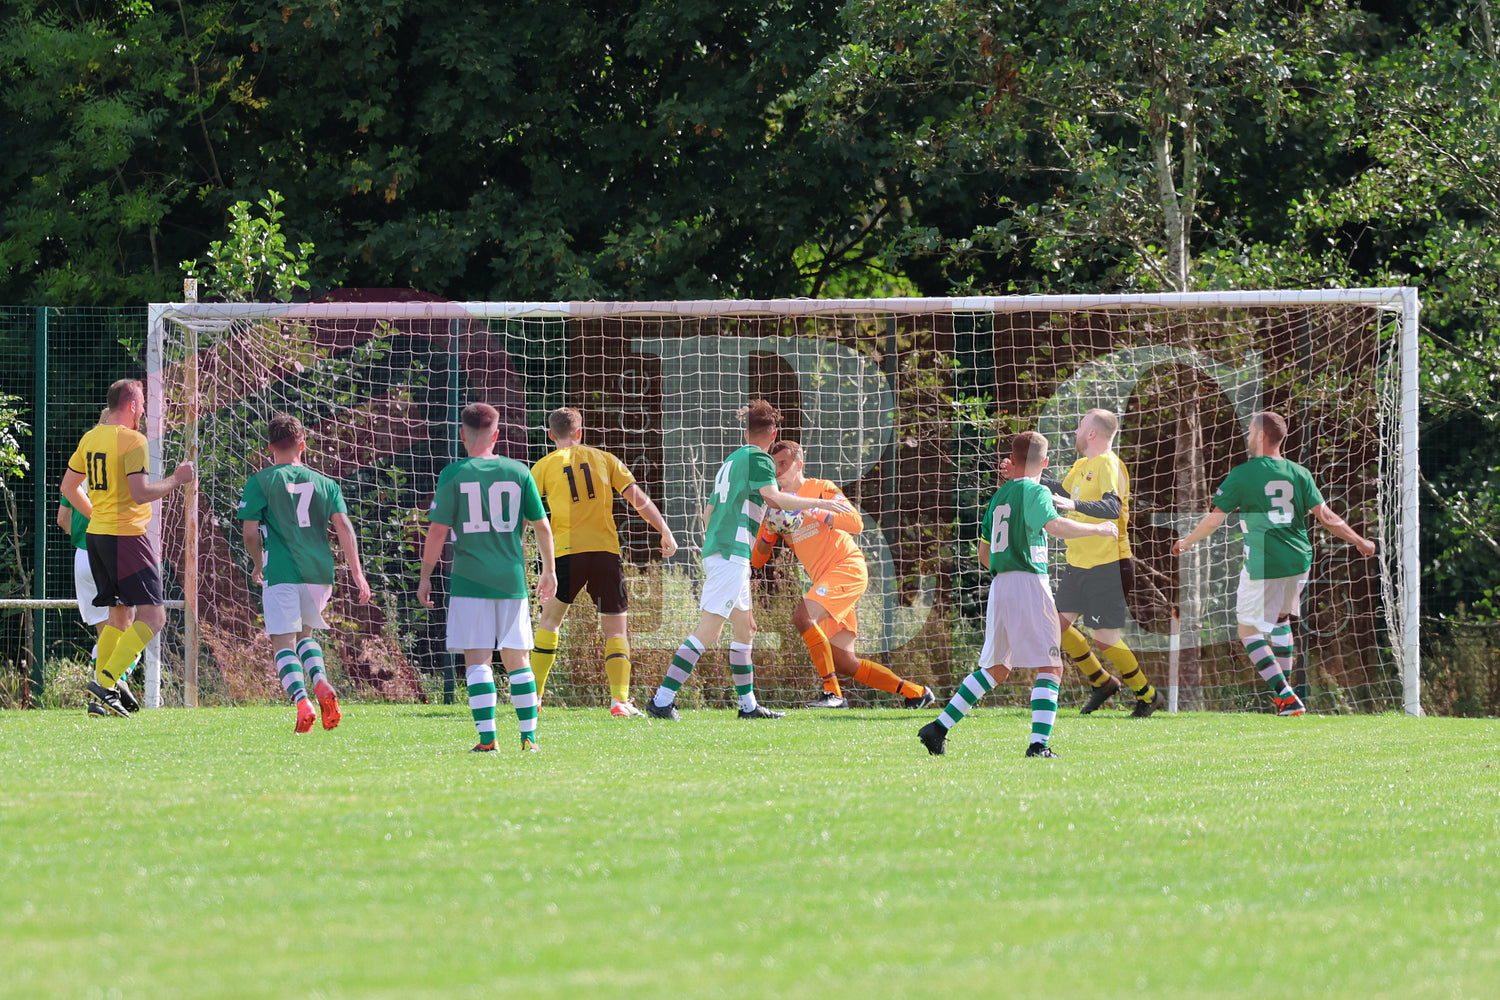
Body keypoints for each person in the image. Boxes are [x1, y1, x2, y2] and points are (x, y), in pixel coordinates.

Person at [645, 400, 852, 721]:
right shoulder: (759, 459)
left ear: (746, 432)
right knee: (708, 632)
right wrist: (818, 504)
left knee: (746, 629)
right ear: (774, 433)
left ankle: (748, 706)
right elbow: (775, 497)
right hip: (731, 553)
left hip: (723, 549)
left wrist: (759, 519)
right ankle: (661, 700)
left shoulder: (732, 460)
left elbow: (707, 514)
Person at [920, 431, 1118, 757]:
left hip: (1000, 586)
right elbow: (1055, 526)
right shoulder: (1035, 490)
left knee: (997, 669)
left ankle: (937, 728)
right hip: (1028, 582)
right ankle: (1038, 745)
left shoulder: (1000, 496)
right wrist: (1098, 528)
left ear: (1013, 460)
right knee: (1051, 666)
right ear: (1046, 462)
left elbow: (984, 554)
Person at [1171, 411, 1376, 716]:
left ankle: (1286, 694)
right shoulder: (1299, 473)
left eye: (1251, 431)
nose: (1248, 436)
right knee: (1280, 621)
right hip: (1299, 559)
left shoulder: (1244, 474)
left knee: (1247, 630)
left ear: (1262, 436)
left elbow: (1215, 518)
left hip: (1265, 561)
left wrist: (1186, 541)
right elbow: (1327, 517)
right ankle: (1285, 698)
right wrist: (1359, 540)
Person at [751, 440, 934, 709]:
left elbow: (856, 523)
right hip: (826, 582)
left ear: (799, 465)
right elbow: (757, 558)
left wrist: (814, 510)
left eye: (783, 464)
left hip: (847, 569)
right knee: (844, 661)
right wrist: (769, 531)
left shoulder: (821, 489)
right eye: (774, 465)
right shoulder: (776, 506)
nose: (778, 471)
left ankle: (833, 695)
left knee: (803, 616)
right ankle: (916, 692)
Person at [417, 403, 557, 752]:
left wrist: (425, 577)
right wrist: (550, 571)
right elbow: (542, 526)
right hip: (511, 581)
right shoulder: (519, 471)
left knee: (477, 659)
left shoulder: (453, 474)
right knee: (518, 660)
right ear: (496, 435)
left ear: (462, 434)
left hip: (469, 581)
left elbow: (436, 532)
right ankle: (529, 739)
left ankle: (488, 741)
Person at [1006, 409, 1163, 717]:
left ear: (1092, 434)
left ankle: (1147, 694)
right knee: (1054, 627)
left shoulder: (1109, 464)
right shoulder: (1082, 465)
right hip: (1079, 563)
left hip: (1109, 564)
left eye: (1080, 426)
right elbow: (1061, 491)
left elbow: (1111, 507)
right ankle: (1102, 682)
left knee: (1105, 640)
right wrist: (1022, 472)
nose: (1076, 431)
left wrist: (1073, 505)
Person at [528, 407, 678, 717]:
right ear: (580, 433)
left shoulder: (541, 467)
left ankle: (534, 697)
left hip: (565, 554)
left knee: (549, 622)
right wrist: (664, 531)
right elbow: (638, 499)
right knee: (616, 631)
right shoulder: (604, 459)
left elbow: (527, 513)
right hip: (604, 553)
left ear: (550, 435)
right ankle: (619, 701)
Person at [59, 378, 195, 717]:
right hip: (127, 538)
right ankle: (105, 682)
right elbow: (140, 493)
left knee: (119, 618)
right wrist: (177, 479)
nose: (144, 411)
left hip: (98, 537)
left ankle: (98, 700)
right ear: (132, 405)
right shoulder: (133, 440)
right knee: (155, 616)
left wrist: (95, 514)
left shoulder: (91, 438)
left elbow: (69, 487)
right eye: (142, 404)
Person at [237, 413, 372, 733]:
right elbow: (344, 528)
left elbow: (249, 532)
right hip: (320, 574)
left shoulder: (261, 481)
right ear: (303, 444)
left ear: (270, 447)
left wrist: (258, 563)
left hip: (282, 570)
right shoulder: (326, 483)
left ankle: (302, 701)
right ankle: (322, 683)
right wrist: (357, 572)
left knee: (283, 642)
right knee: (306, 636)